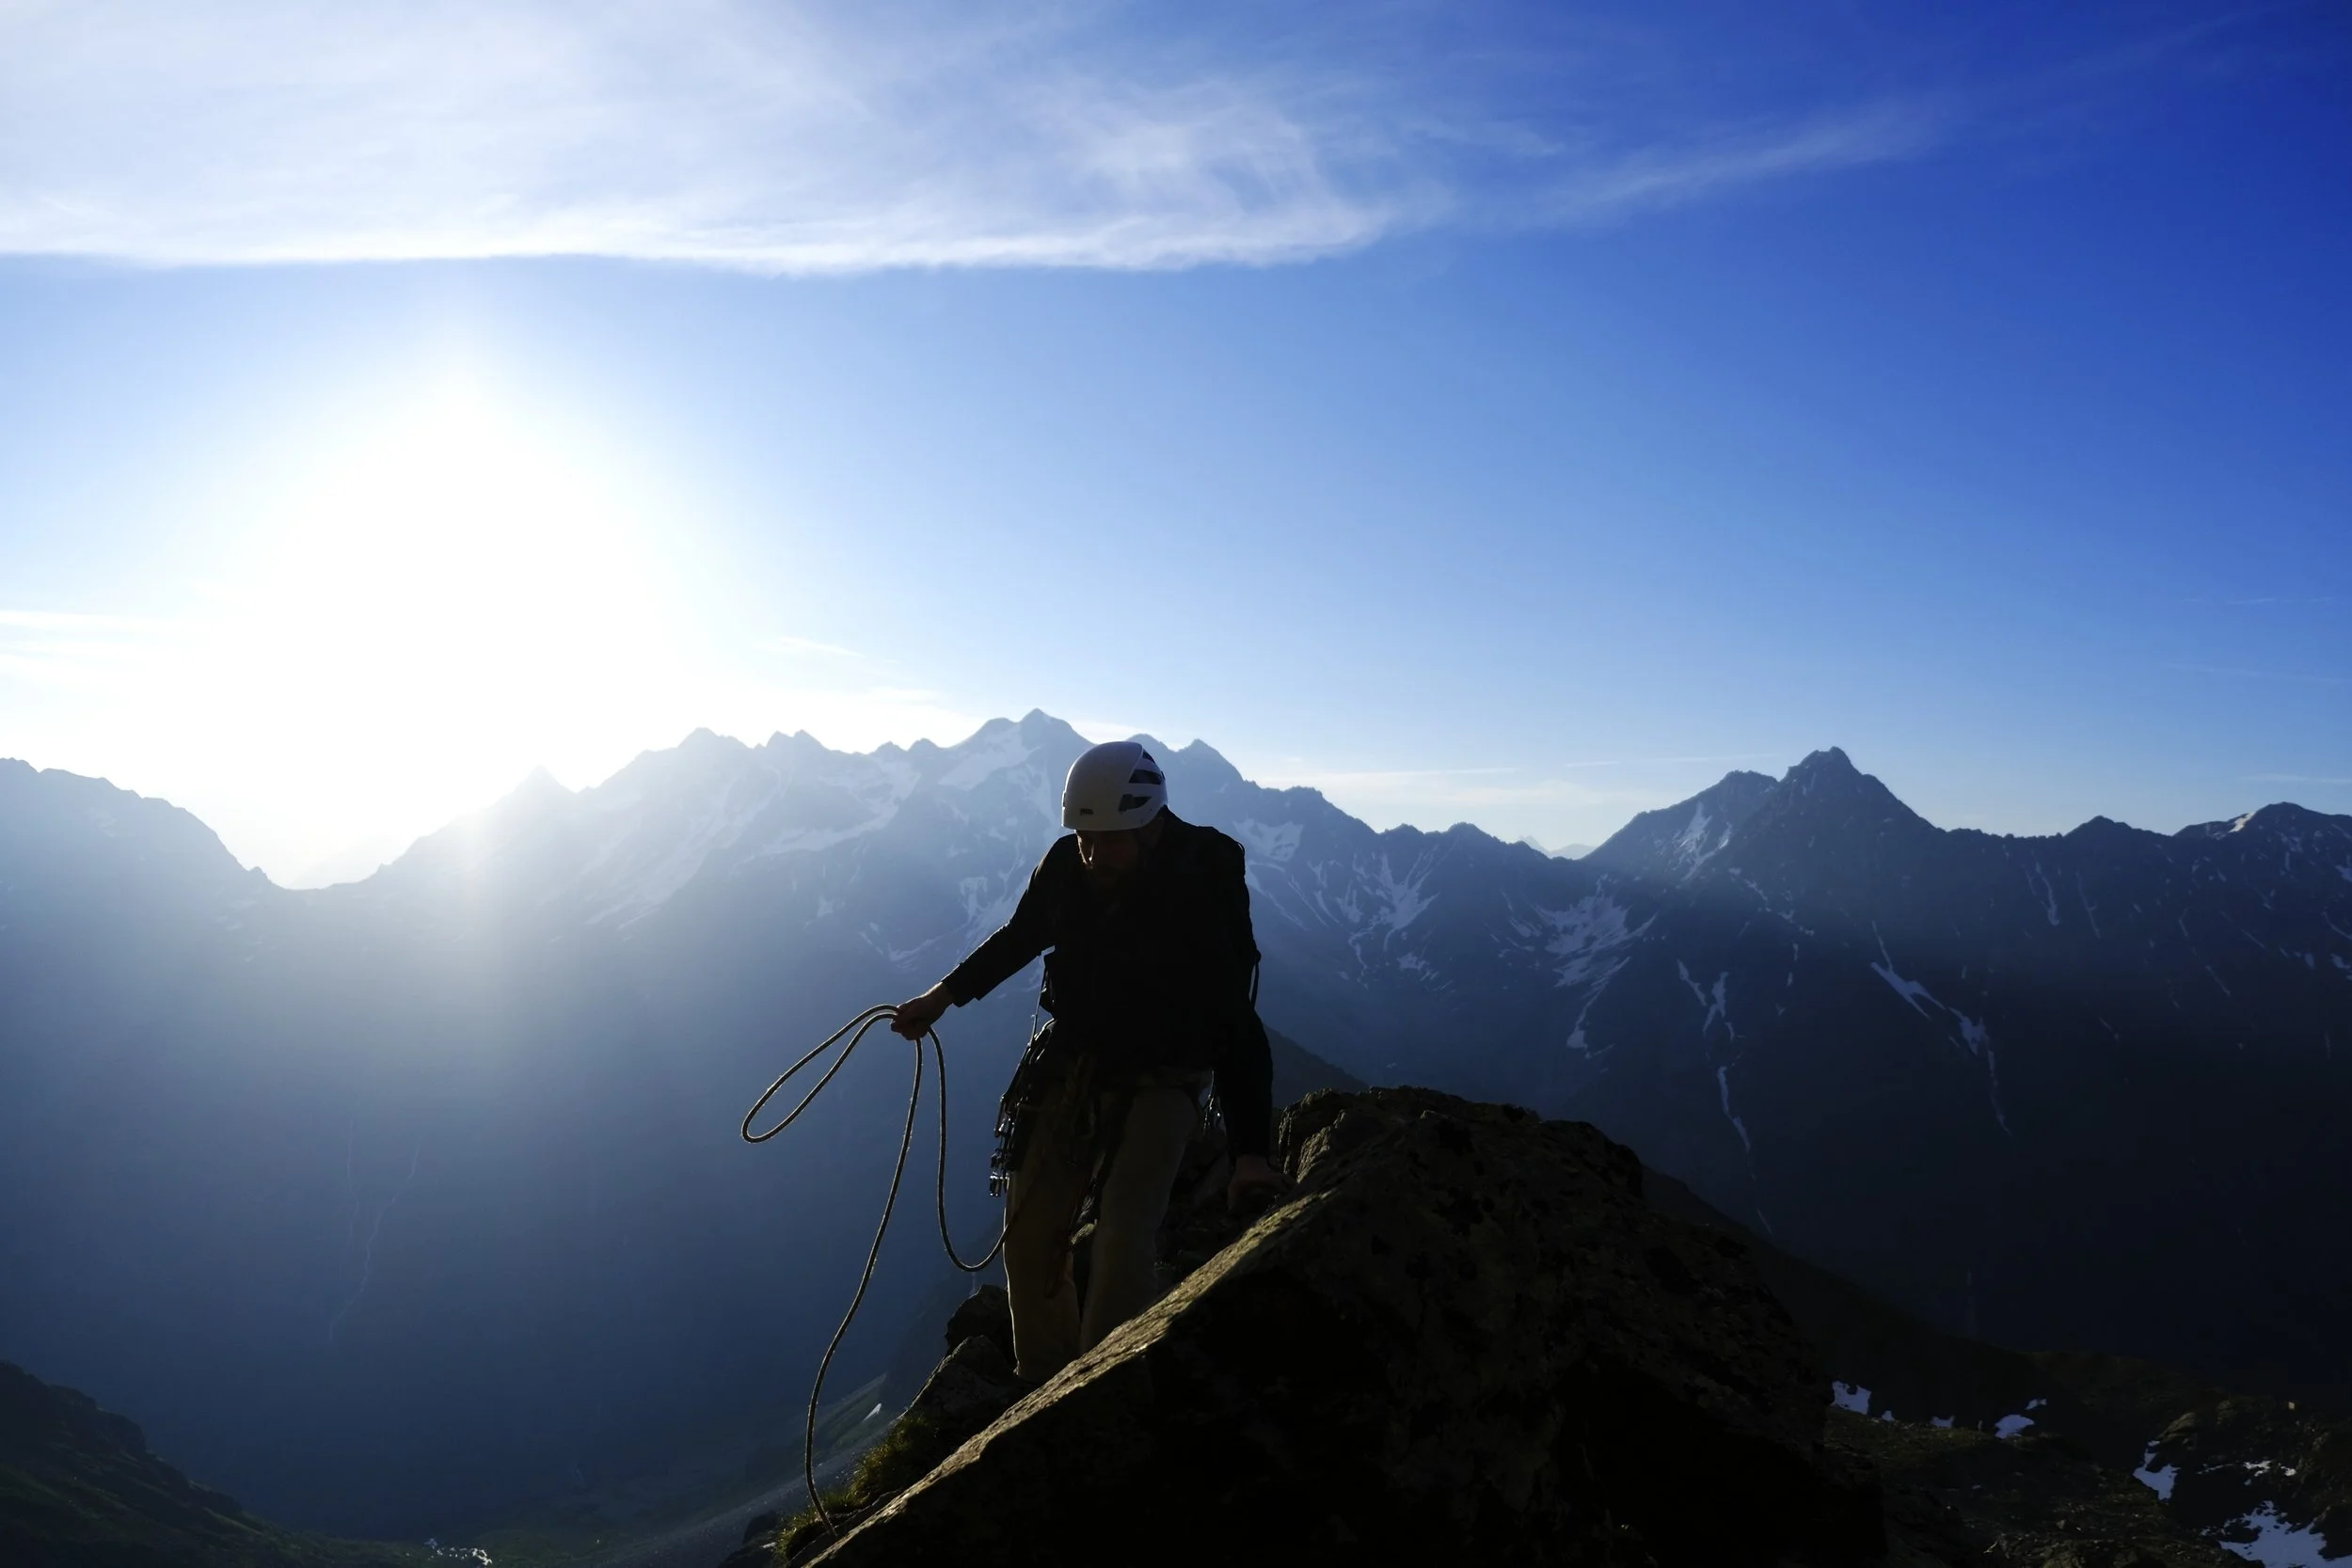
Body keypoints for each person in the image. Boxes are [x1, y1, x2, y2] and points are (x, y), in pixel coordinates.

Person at [891, 739, 1285, 1382]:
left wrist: (1249, 1151)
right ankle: (1044, 1385)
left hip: (1167, 1075)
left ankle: (1106, 1387)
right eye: (1084, 838)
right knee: (1027, 1239)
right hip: (1071, 1064)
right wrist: (941, 997)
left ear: (1152, 825)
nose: (1094, 854)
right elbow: (1021, 936)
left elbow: (1232, 1019)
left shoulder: (1205, 873)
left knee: (1125, 1241)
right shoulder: (1070, 865)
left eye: (1109, 839)